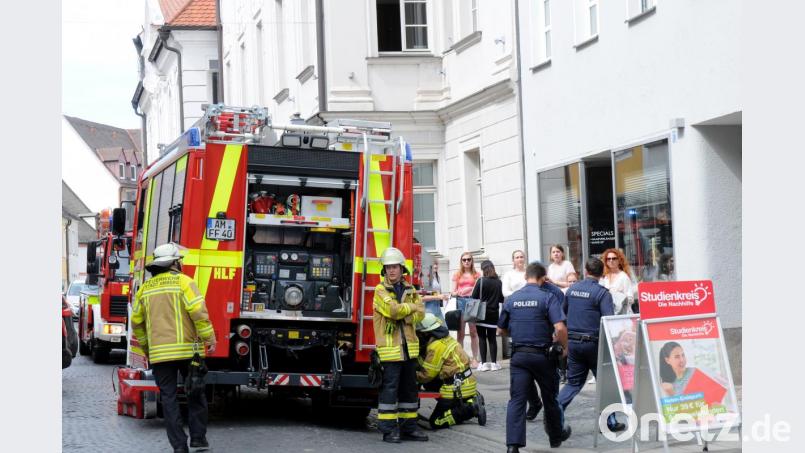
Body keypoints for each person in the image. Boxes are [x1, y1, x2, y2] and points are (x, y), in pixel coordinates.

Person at [130, 243, 217, 453]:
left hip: (160, 354)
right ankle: (198, 439)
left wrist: (147, 348)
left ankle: (179, 446)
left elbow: (136, 323)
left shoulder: (145, 289)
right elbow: (199, 313)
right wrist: (210, 339)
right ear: (176, 262)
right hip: (189, 352)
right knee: (195, 393)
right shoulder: (185, 282)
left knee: (168, 398)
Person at [498, 262, 571, 451]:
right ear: (543, 278)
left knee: (517, 400)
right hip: (543, 357)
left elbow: (501, 330)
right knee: (550, 398)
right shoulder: (547, 298)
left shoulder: (512, 299)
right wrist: (564, 347)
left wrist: (518, 333)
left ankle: (512, 446)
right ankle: (555, 437)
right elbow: (561, 328)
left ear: (525, 277)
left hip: (519, 357)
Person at [557, 257, 626, 433]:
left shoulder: (572, 290)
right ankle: (609, 423)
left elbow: (562, 314)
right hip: (595, 345)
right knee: (605, 383)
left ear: (585, 271)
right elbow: (608, 320)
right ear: (602, 272)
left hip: (574, 343)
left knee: (573, 383)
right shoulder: (602, 293)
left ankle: (556, 410)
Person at [373, 247, 428, 443]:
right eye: (388, 267)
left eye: (395, 267)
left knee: (409, 390)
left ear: (401, 268)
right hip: (390, 353)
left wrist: (407, 311)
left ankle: (409, 428)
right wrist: (410, 309)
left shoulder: (410, 289)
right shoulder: (380, 290)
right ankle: (388, 430)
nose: (391, 271)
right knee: (390, 390)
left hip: (409, 350)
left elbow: (421, 313)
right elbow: (393, 311)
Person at [415, 313, 487, 428]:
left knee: (436, 422)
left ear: (426, 333)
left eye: (418, 333)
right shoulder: (446, 338)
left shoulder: (435, 346)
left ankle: (471, 408)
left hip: (455, 387)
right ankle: (468, 399)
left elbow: (426, 375)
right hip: (466, 382)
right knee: (429, 386)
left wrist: (411, 375)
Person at [524, 263, 566, 420]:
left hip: (548, 339)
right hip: (528, 338)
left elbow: (561, 317)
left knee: (549, 380)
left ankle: (552, 411)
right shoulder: (525, 290)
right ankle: (535, 403)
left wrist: (558, 337)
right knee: (525, 378)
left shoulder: (554, 292)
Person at [471, 260, 504, 372]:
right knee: (492, 338)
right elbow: (501, 299)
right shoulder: (498, 282)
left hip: (481, 313)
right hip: (494, 313)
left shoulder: (480, 281)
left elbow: (474, 297)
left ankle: (484, 363)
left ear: (483, 269)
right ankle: (494, 363)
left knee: (481, 338)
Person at [452, 252, 481, 369]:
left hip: (473, 302)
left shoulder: (477, 274)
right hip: (461, 301)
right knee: (461, 333)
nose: (466, 262)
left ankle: (475, 359)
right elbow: (453, 292)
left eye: (469, 259)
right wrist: (458, 292)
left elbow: (479, 290)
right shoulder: (457, 274)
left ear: (472, 261)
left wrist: (470, 288)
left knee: (474, 332)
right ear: (461, 261)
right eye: (464, 260)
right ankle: (461, 358)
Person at [501, 250, 528, 360]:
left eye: (521, 257)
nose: (520, 259)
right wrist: (520, 294)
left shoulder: (529, 273)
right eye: (517, 257)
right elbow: (505, 292)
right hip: (515, 307)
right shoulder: (509, 274)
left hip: (529, 306)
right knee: (516, 331)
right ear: (513, 260)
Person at [600, 248, 635, 315]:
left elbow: (631, 298)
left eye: (614, 258)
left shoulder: (623, 277)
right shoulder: (604, 277)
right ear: (606, 261)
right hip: (608, 312)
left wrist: (618, 296)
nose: (611, 261)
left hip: (622, 314)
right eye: (608, 259)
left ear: (619, 260)